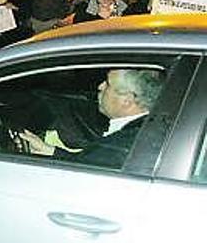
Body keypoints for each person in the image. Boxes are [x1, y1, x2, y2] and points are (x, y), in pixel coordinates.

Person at [20, 69, 164, 170]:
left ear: (127, 100)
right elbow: (89, 163)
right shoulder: (145, 130)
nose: (100, 86)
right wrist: (51, 152)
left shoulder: (121, 144)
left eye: (108, 84)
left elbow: (80, 173)